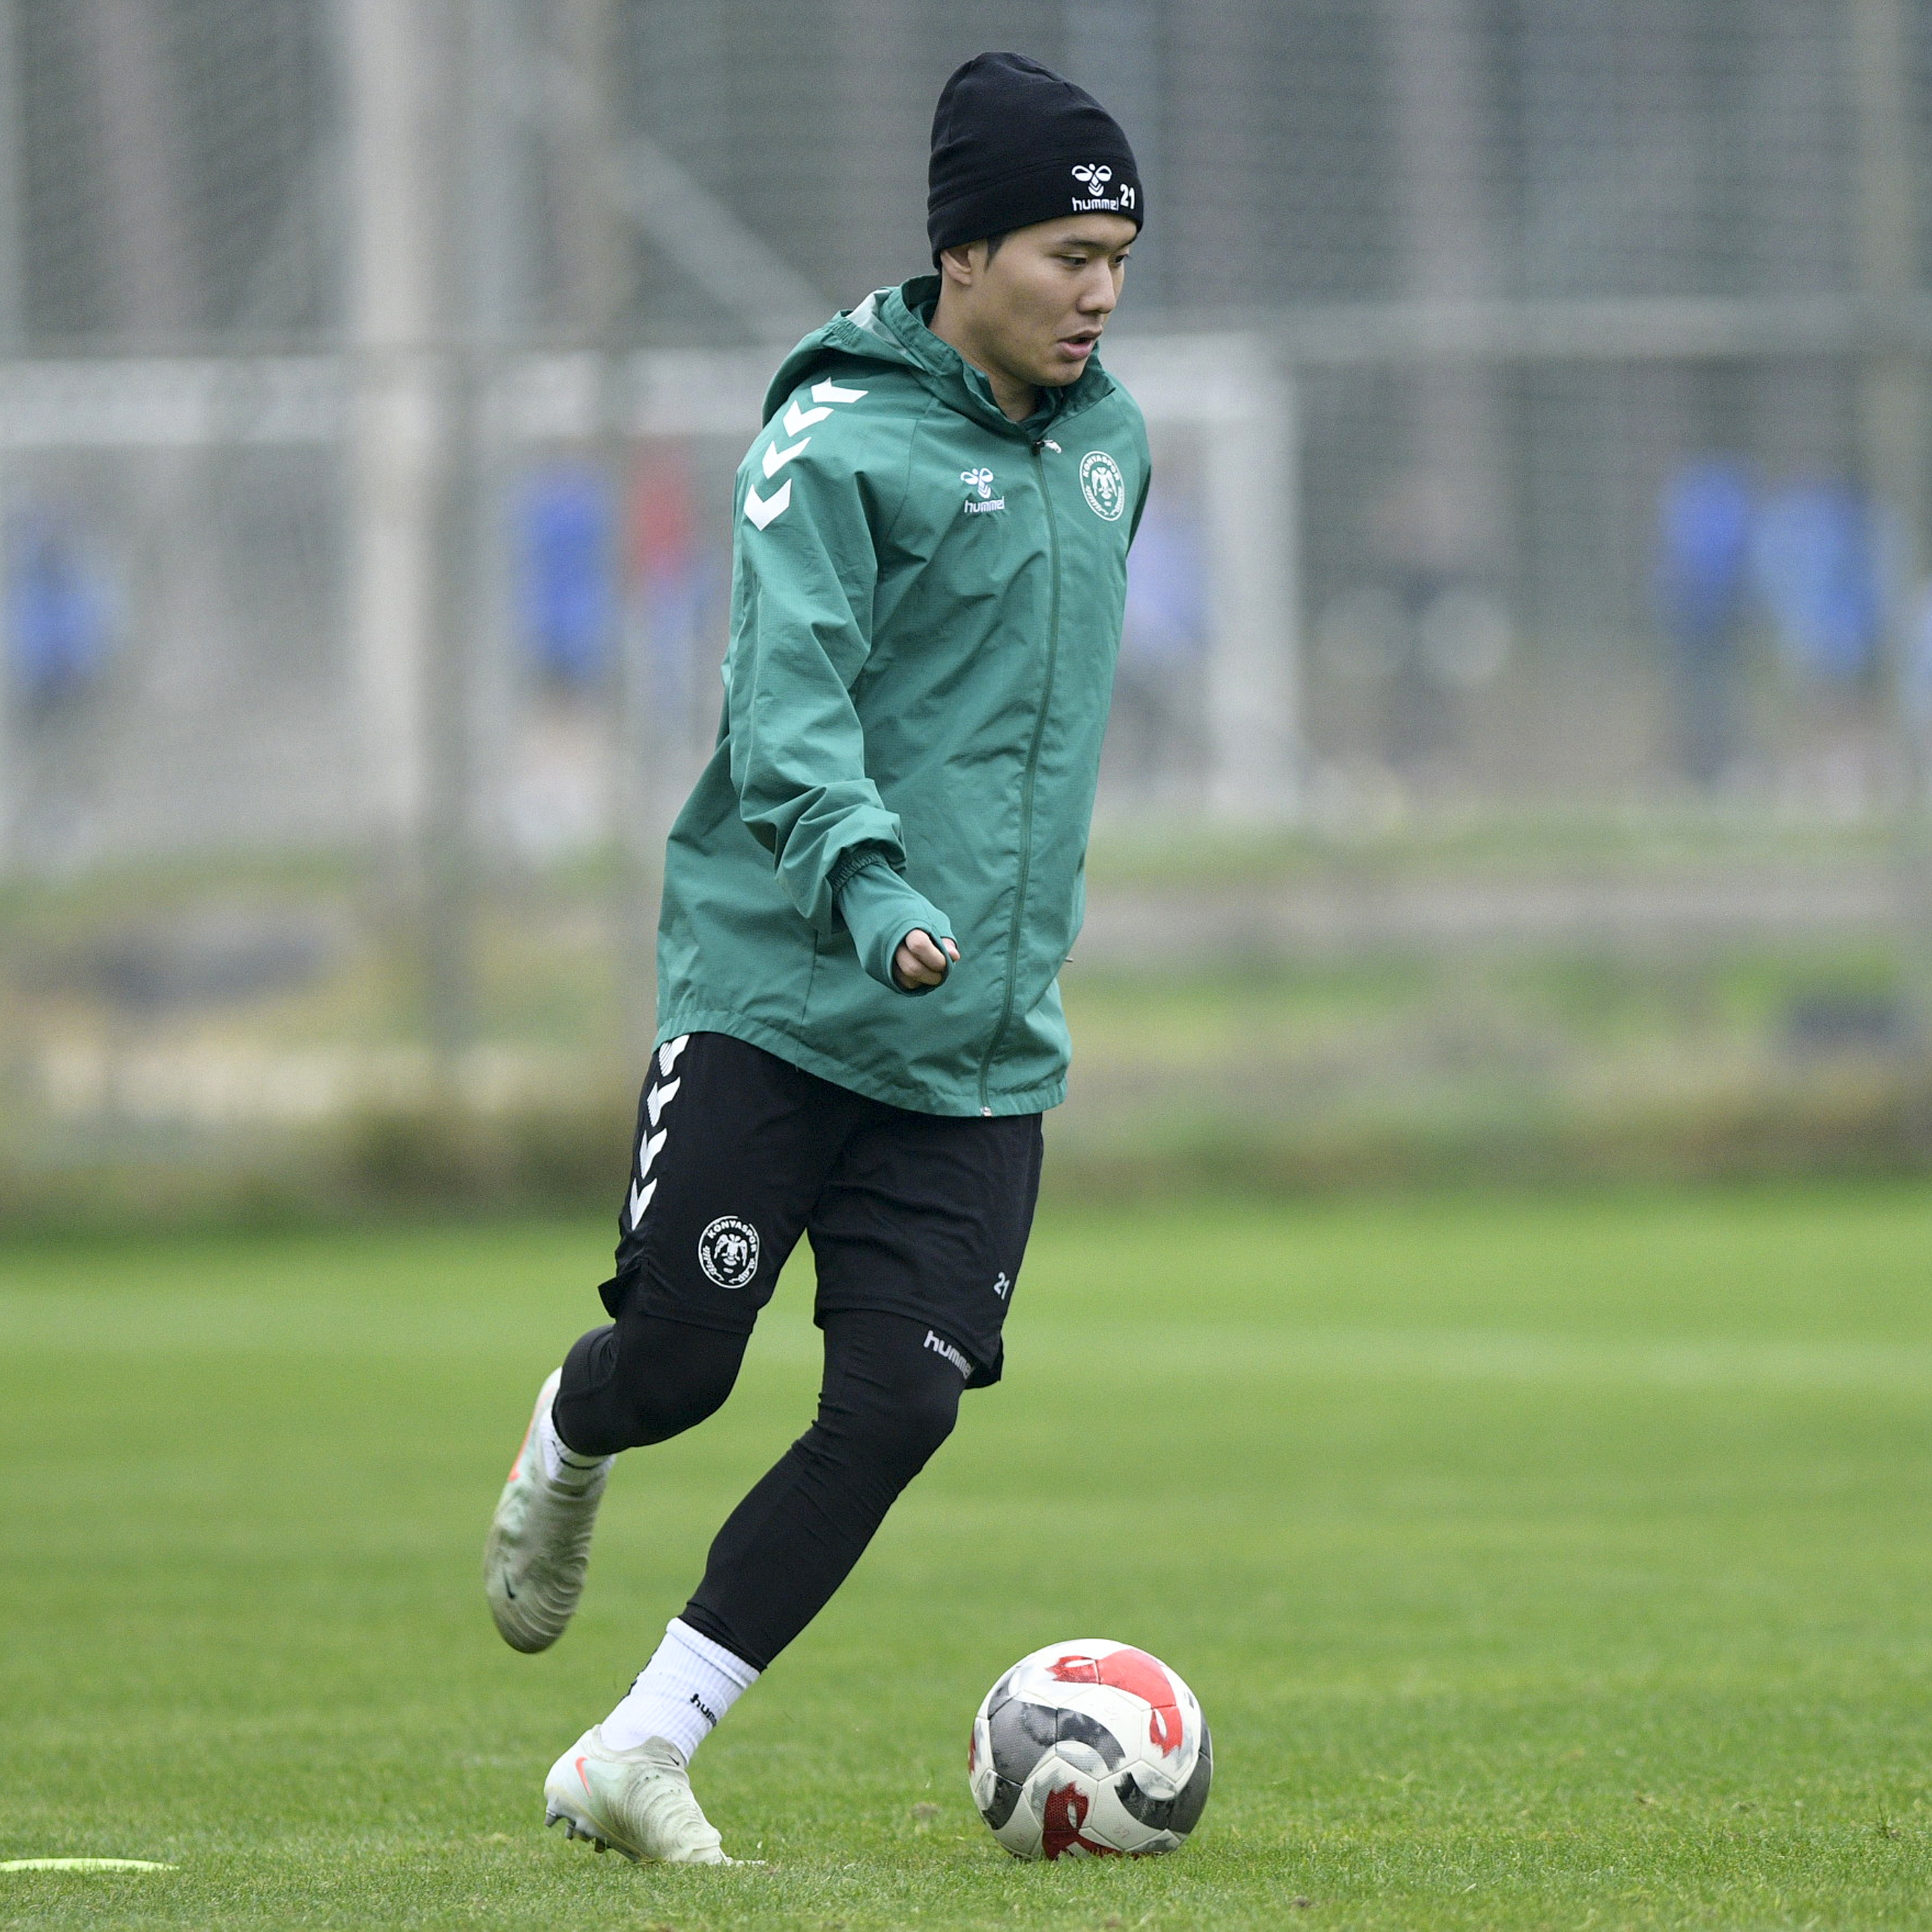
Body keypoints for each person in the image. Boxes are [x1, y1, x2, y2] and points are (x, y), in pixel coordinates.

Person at [483, 49, 1149, 1866]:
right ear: (964, 251)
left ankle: (641, 1746)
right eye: (1066, 255)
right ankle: (571, 1431)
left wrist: (982, 951)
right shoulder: (832, 443)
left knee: (901, 1401)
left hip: (977, 1046)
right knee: (680, 1367)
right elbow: (787, 714)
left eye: (1117, 259)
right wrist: (870, 890)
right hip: (783, 993)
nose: (1098, 293)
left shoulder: (1114, 449)